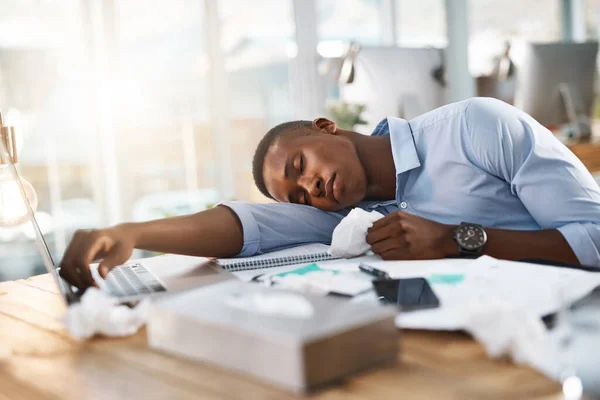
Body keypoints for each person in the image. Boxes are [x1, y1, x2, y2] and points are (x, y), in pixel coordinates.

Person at [59, 98, 600, 289]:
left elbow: (596, 237)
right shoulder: (351, 215)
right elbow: (250, 227)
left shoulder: (476, 128)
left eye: (301, 165)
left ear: (326, 126)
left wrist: (458, 241)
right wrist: (130, 231)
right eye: (299, 195)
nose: (310, 189)